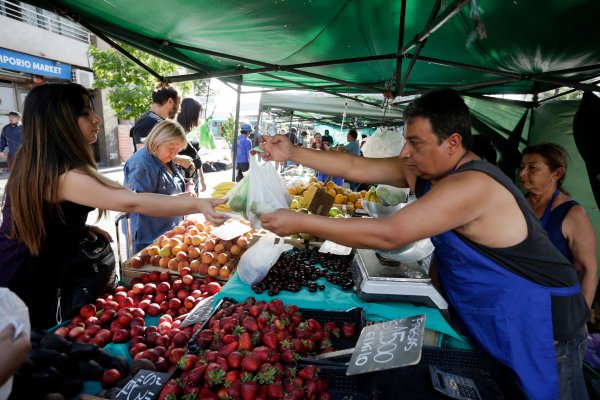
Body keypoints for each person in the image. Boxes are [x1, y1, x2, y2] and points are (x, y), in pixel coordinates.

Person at [258, 88, 589, 400]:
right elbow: (356, 166)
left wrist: (300, 221)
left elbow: (390, 234)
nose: (405, 153)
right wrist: (293, 152)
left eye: (415, 143)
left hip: (540, 320)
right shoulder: (426, 169)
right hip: (497, 313)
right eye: (406, 141)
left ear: (452, 143)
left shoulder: (474, 184)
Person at [0, 83, 226, 329]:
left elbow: (42, 215)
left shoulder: (41, 161)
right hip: (24, 280)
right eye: (87, 112)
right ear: (61, 120)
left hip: (35, 271)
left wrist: (78, 228)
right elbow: (132, 200)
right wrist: (200, 205)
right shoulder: (58, 174)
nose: (97, 119)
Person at [519, 142, 597, 308]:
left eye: (532, 168)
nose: (523, 173)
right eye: (522, 166)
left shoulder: (572, 214)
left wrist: (580, 317)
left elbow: (587, 269)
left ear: (556, 173)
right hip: (517, 298)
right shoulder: (515, 204)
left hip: (554, 304)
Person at [124, 120, 197, 253]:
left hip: (169, 234)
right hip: (151, 240)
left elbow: (172, 186)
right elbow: (138, 203)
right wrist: (177, 199)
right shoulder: (141, 165)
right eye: (171, 148)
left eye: (178, 150)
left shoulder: (166, 158)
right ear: (157, 141)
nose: (175, 154)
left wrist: (188, 187)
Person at [130, 83, 181, 151]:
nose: (179, 108)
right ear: (170, 101)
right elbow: (143, 156)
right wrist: (178, 158)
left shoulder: (156, 120)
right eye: (179, 103)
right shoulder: (147, 122)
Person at [177, 98, 207, 194]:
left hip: (192, 179)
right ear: (191, 114)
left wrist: (202, 179)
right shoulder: (176, 133)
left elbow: (195, 156)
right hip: (183, 181)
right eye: (199, 114)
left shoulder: (188, 132)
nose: (199, 118)